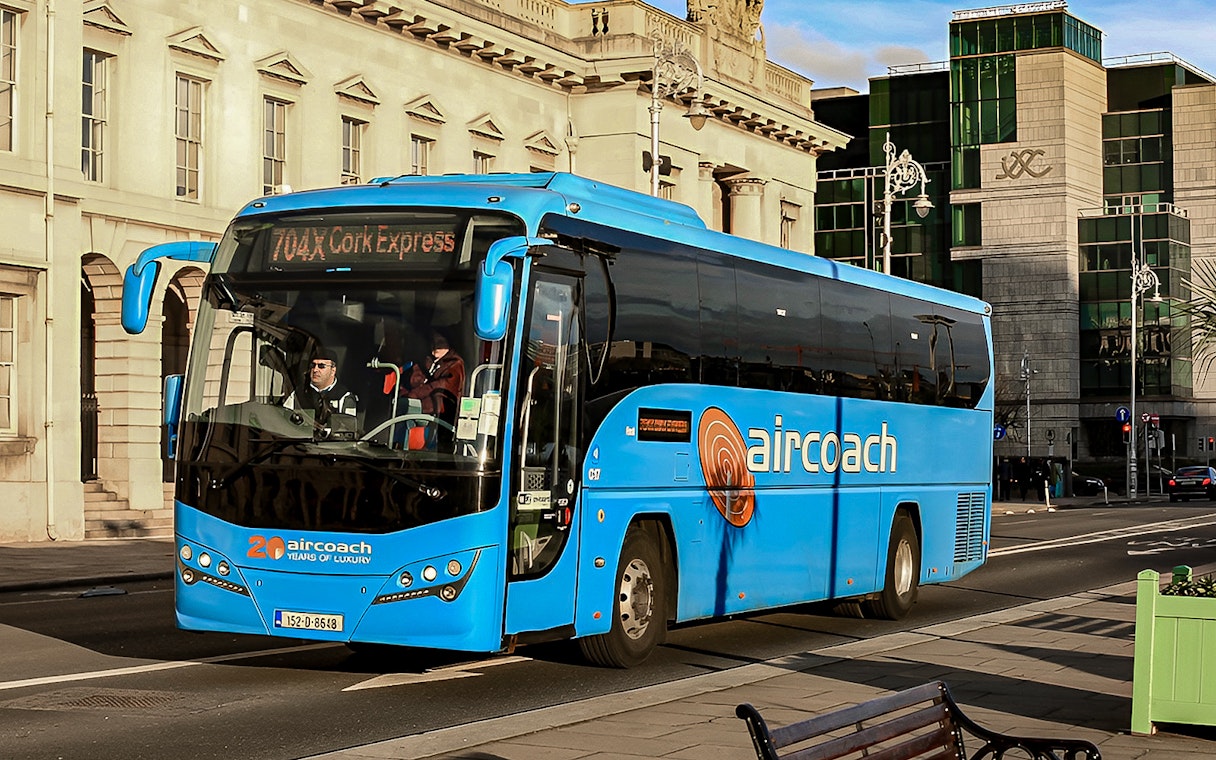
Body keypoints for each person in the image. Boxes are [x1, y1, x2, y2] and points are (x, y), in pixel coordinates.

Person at [404, 332, 465, 445]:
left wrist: (416, 393)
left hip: (440, 419)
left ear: (449, 344)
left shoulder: (455, 364)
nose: (436, 346)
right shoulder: (426, 361)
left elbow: (441, 385)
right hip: (417, 414)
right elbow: (411, 381)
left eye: (441, 342)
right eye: (433, 342)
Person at [284, 348, 358, 423]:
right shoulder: (297, 395)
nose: (315, 370)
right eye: (313, 365)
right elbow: (284, 420)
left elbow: (349, 427)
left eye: (321, 366)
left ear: (333, 370)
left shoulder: (345, 397)